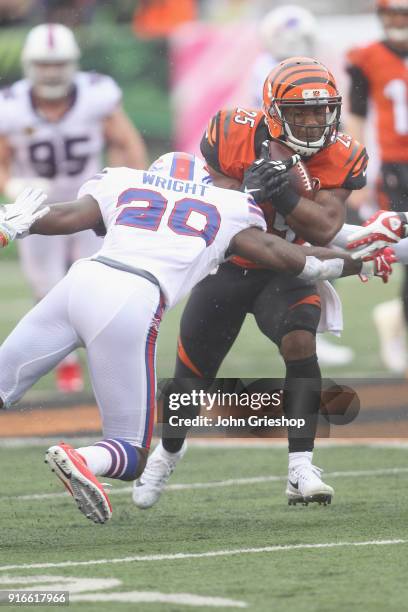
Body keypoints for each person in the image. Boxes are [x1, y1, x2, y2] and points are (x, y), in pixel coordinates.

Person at [0, 152, 376, 523]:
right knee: (130, 453)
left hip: (76, 285)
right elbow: (297, 260)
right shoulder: (227, 204)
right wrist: (364, 260)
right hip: (130, 299)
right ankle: (82, 458)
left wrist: (16, 225)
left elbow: (64, 216)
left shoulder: (124, 180)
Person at [134, 56, 370, 510]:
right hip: (228, 265)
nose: (313, 120)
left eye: (321, 110)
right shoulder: (232, 130)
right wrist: (249, 189)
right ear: (274, 111)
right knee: (191, 379)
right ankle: (168, 450)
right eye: (300, 111)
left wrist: (280, 191)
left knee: (301, 343)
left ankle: (301, 465)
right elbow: (218, 211)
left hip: (287, 269)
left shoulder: (343, 152)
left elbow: (323, 227)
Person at [0, 23, 148, 392]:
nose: (51, 72)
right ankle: (66, 362)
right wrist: (9, 184)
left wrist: (125, 183)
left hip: (89, 199)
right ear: (30, 65)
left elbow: (126, 143)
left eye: (59, 64)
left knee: (99, 278)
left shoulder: (96, 95)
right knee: (46, 284)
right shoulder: (11, 105)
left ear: (73, 64)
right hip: (35, 204)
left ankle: (102, 356)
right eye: (44, 64)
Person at [251, 6, 353, 367]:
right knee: (293, 247)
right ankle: (300, 324)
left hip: (307, 166)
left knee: (322, 237)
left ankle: (309, 325)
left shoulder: (312, 73)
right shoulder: (266, 73)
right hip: (279, 168)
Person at [346, 0, 408, 373]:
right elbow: (356, 115)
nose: (398, 21)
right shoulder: (367, 57)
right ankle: (398, 321)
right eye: (392, 14)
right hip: (397, 169)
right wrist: (358, 171)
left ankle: (395, 318)